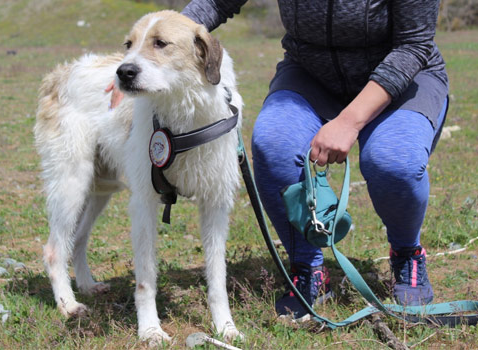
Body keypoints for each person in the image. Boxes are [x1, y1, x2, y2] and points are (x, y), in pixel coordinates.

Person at [109, 1, 449, 321]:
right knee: (274, 145)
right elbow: (213, 3)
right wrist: (146, 62)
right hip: (312, 76)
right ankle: (308, 268)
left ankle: (407, 254)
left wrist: (349, 121)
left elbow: (413, 46)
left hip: (403, 80)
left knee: (393, 161)